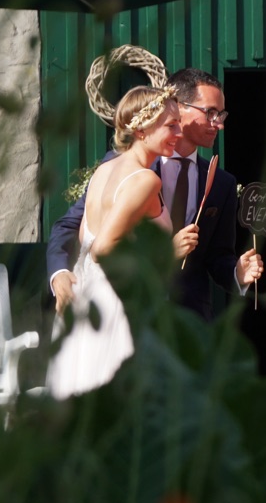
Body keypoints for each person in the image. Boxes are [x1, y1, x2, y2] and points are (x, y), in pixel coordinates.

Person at [49, 68, 262, 319]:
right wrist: (58, 272)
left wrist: (237, 273)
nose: (220, 124)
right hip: (127, 310)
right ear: (179, 107)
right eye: (210, 113)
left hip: (187, 319)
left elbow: (217, 257)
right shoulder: (124, 169)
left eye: (221, 114)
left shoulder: (222, 183)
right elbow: (72, 225)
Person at [47, 88, 196, 398]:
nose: (179, 133)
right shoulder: (145, 180)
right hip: (119, 307)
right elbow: (103, 249)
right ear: (141, 129)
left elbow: (85, 238)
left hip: (87, 297)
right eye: (171, 125)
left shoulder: (103, 171)